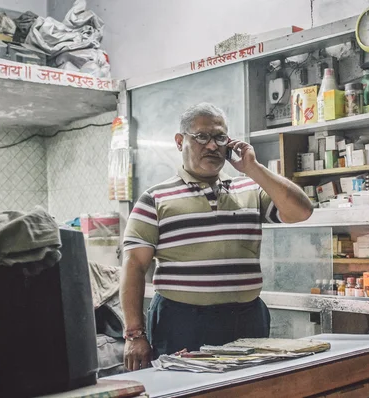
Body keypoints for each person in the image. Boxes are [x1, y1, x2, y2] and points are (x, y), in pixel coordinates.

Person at [120, 103, 313, 371]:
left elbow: (301, 212)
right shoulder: (154, 199)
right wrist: (134, 334)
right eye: (201, 136)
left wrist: (253, 168)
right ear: (180, 141)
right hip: (183, 321)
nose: (212, 146)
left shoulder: (250, 190)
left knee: (249, 390)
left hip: (247, 318)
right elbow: (134, 266)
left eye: (220, 137)